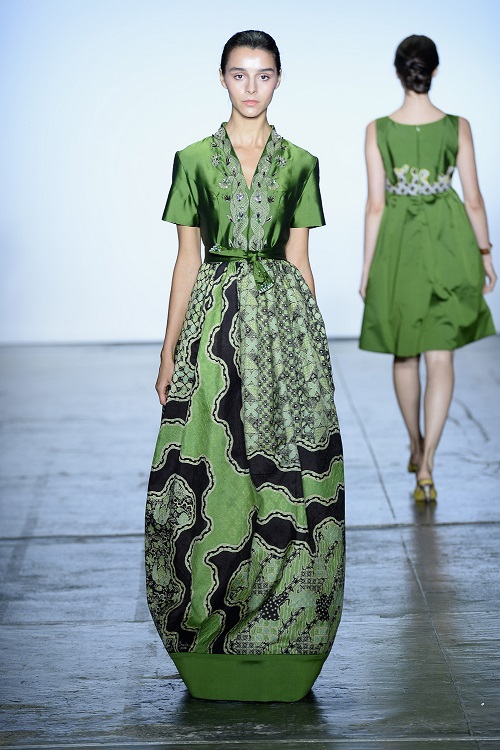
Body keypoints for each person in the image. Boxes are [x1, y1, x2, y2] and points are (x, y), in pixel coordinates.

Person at [145, 30, 345, 702]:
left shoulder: (303, 162)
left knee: (284, 476)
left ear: (279, 80)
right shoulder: (193, 159)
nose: (251, 87)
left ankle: (285, 629)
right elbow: (186, 258)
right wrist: (168, 347)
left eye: (263, 75)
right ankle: (210, 625)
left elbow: (300, 258)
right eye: (239, 74)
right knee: (211, 472)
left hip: (283, 327)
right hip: (214, 327)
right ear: (222, 79)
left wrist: (315, 355)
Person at [359, 35, 496, 503]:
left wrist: (366, 269)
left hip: (399, 247)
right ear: (433, 71)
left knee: (405, 354)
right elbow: (474, 198)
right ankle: (429, 465)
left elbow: (375, 205)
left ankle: (417, 446)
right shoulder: (458, 126)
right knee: (442, 357)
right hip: (448, 241)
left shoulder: (377, 129)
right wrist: (484, 254)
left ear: (399, 72)